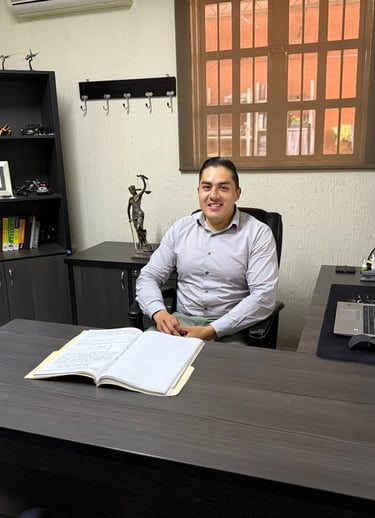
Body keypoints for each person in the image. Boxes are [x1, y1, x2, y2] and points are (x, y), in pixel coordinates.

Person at [136, 157, 279, 344]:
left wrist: (210, 331)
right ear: (198, 192)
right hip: (180, 325)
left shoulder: (258, 234)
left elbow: (263, 296)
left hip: (230, 328)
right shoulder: (180, 229)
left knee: (220, 372)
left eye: (223, 187)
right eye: (206, 187)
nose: (213, 195)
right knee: (143, 361)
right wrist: (159, 312)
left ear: (237, 193)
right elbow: (149, 276)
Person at [127, 174, 150, 249]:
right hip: (133, 216)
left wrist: (143, 179)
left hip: (140, 214)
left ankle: (145, 241)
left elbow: (144, 188)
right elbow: (128, 208)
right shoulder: (130, 199)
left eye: (132, 190)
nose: (131, 191)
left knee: (138, 228)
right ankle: (141, 243)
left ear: (134, 189)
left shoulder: (139, 195)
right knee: (137, 231)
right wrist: (129, 218)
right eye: (130, 190)